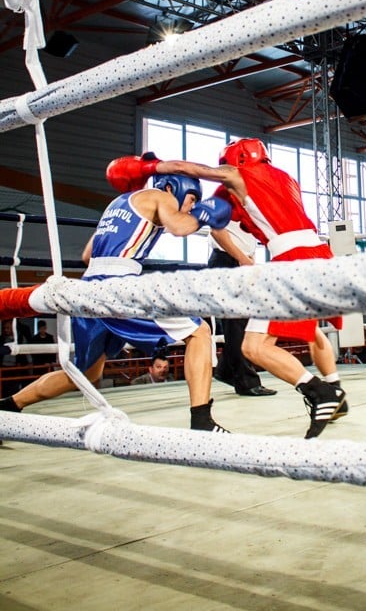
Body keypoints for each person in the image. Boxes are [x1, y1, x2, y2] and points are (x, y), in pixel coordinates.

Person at [105, 143, 348, 439]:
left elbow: (188, 172)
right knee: (311, 331)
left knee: (254, 347)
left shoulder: (238, 174)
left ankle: (320, 393)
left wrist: (152, 168)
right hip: (319, 255)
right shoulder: (285, 178)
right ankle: (334, 389)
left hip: (291, 260)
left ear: (235, 160)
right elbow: (251, 219)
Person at [0, 171, 232, 432]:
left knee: (84, 375)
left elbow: (88, 255)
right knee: (200, 332)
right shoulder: (160, 196)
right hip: (118, 286)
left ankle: (7, 407)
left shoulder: (118, 203)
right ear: (172, 188)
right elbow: (179, 227)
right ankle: (201, 422)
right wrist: (203, 215)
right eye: (191, 199)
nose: (191, 205)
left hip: (87, 290)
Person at [208, 220, 276, 397]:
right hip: (228, 260)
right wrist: (241, 257)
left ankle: (226, 370)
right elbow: (217, 231)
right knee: (238, 322)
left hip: (240, 261)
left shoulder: (246, 203)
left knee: (242, 322)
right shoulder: (226, 197)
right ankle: (247, 382)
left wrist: (249, 256)